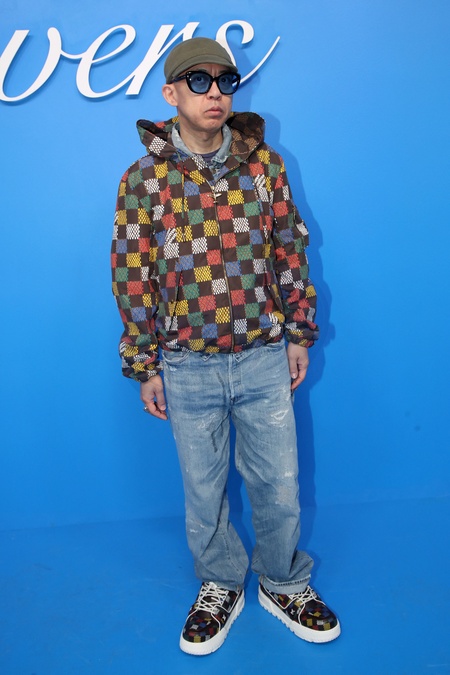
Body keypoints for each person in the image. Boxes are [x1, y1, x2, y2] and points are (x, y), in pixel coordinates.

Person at [111, 37, 340, 656]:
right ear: (171, 93)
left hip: (264, 356)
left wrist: (299, 331)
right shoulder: (143, 179)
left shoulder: (265, 166)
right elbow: (132, 274)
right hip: (186, 365)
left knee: (279, 485)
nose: (215, 93)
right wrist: (144, 364)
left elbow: (289, 247)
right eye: (199, 81)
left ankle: (283, 582)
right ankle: (220, 583)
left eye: (225, 81)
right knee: (203, 491)